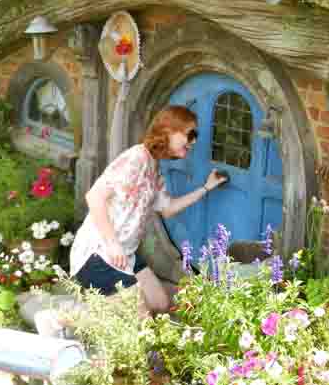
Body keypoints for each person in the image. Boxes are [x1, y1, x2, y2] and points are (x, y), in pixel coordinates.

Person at [69, 105, 226, 312]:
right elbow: (94, 197)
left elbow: (168, 209)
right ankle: (60, 317)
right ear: (169, 131)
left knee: (160, 303)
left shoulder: (154, 168)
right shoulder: (135, 158)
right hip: (99, 254)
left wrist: (206, 188)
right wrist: (113, 243)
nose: (194, 141)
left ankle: (95, 309)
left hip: (125, 255)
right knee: (141, 325)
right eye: (191, 134)